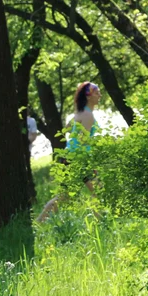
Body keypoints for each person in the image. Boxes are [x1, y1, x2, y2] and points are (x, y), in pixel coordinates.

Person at [37, 82, 100, 223]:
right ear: (88, 96)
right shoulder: (88, 116)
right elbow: (84, 142)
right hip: (79, 159)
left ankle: (39, 221)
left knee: (65, 196)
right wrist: (90, 162)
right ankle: (99, 224)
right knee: (98, 191)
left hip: (70, 157)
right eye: (96, 93)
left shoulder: (80, 113)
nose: (100, 95)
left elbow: (66, 129)